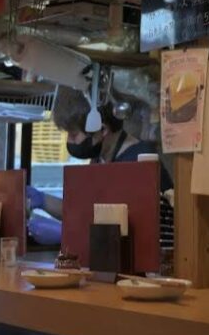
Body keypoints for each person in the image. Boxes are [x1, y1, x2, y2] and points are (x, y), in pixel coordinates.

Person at [27, 86, 172, 244]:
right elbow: (87, 214)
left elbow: (130, 234)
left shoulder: (138, 163)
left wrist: (67, 234)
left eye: (74, 135)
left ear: (102, 130)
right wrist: (42, 200)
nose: (69, 141)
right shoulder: (101, 158)